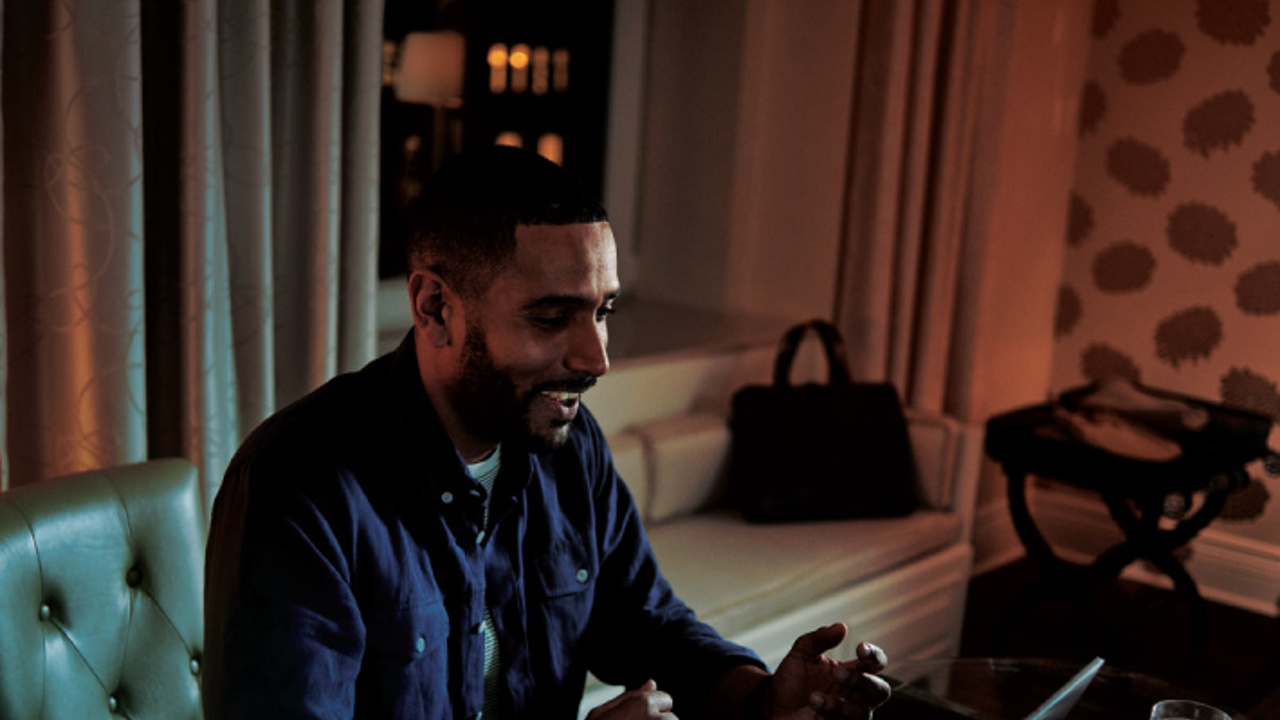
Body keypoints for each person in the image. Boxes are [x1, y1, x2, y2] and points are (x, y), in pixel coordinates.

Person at [203, 145, 892, 720]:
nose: (596, 358)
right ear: (435, 306)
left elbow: (645, 620)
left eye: (603, 310)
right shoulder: (301, 487)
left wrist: (766, 698)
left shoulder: (567, 444)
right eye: (551, 316)